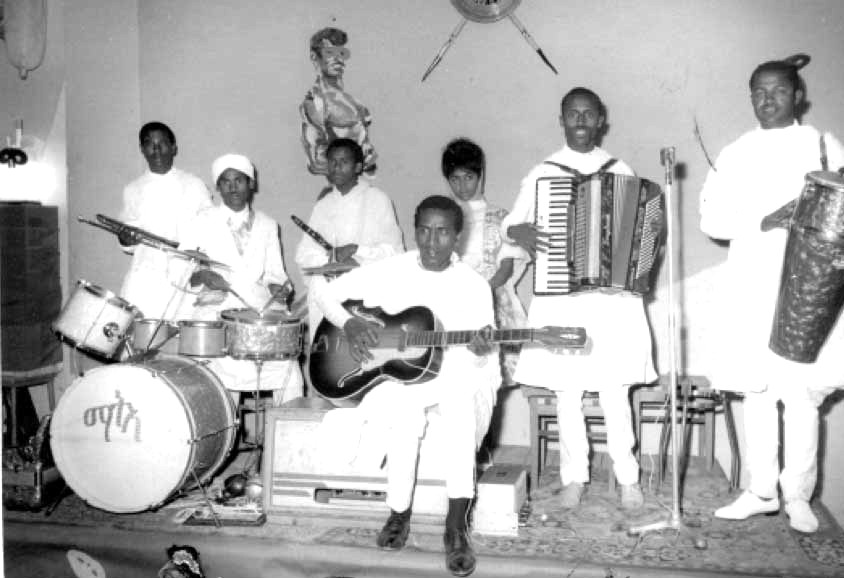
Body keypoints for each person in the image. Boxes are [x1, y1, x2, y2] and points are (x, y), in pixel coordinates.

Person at [314, 195, 499, 577]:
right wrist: (349, 323)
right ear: (415, 231)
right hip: (404, 372)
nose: (432, 243)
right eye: (424, 231)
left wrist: (480, 351)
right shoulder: (391, 268)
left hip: (456, 371)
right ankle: (398, 512)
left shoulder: (474, 285)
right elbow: (324, 293)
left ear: (458, 237)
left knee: (461, 403)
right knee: (402, 409)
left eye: (443, 233)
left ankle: (456, 525)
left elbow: (480, 359)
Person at [701, 56, 844, 533]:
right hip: (753, 281)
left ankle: (797, 496)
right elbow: (712, 220)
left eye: (778, 91)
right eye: (758, 92)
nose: (767, 100)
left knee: (800, 395)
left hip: (810, 287)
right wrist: (765, 220)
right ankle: (760, 491)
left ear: (797, 95)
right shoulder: (736, 151)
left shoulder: (823, 145)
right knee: (758, 392)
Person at [500, 87, 655, 510]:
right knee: (568, 391)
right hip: (563, 298)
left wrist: (634, 271)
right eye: (573, 114)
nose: (581, 121)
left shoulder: (620, 168)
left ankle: (627, 479)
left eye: (589, 114)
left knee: (612, 389)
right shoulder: (542, 173)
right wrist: (520, 232)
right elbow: (510, 225)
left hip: (610, 301)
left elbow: (641, 230)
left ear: (601, 120)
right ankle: (574, 478)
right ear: (562, 120)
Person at [175, 153, 302, 405]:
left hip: (257, 313)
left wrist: (279, 288)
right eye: (225, 181)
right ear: (218, 186)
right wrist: (201, 274)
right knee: (220, 384)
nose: (233, 187)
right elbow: (177, 263)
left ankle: (284, 438)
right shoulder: (202, 221)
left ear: (251, 184)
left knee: (290, 374)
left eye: (239, 180)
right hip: (215, 311)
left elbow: (276, 273)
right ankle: (225, 438)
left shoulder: (268, 224)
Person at [441, 137, 527, 385]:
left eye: (468, 177)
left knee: (488, 384)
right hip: (450, 306)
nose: (462, 186)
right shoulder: (445, 218)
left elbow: (506, 268)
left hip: (492, 303)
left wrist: (478, 293)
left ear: (480, 176)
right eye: (455, 179)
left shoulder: (501, 217)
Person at [295, 138, 404, 333]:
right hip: (326, 298)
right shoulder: (323, 205)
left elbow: (395, 254)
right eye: (332, 162)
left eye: (344, 162)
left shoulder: (378, 200)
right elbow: (304, 256)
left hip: (365, 297)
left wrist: (357, 251)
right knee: (327, 358)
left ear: (358, 167)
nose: (336, 167)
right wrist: (331, 258)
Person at [118, 121, 211, 319]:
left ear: (174, 148)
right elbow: (128, 242)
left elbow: (210, 229)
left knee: (179, 341)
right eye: (150, 143)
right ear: (142, 149)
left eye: (162, 143)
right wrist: (126, 239)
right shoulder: (132, 189)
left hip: (184, 278)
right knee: (139, 340)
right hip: (144, 278)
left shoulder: (194, 185)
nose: (156, 148)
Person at [300, 27, 377, 175]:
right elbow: (317, 163)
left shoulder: (356, 104)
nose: (338, 59)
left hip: (365, 186)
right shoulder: (316, 103)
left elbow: (370, 157)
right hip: (339, 189)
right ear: (315, 57)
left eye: (341, 53)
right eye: (329, 53)